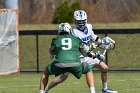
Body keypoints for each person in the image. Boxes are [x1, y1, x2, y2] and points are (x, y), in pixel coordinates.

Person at [45, 10, 117, 93]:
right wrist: (96, 55)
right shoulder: (73, 32)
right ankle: (46, 90)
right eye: (79, 22)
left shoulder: (89, 27)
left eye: (83, 21)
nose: (81, 23)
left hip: (86, 55)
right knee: (61, 78)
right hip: (76, 57)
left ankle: (105, 88)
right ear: (75, 21)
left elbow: (93, 37)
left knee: (104, 67)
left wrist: (102, 43)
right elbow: (83, 49)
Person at [39, 23, 96, 93]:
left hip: (59, 64)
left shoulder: (55, 40)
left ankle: (41, 92)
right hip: (75, 64)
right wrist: (92, 50)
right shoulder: (76, 39)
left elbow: (50, 56)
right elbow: (86, 51)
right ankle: (93, 91)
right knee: (88, 69)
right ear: (70, 30)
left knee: (46, 72)